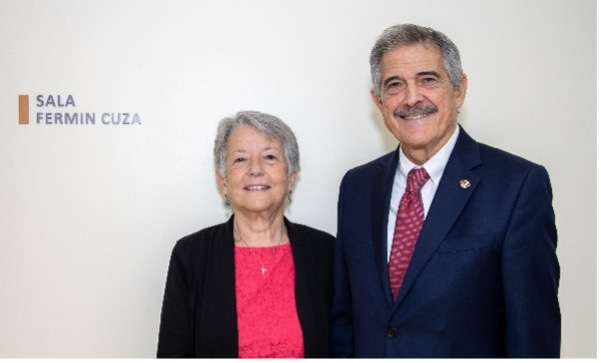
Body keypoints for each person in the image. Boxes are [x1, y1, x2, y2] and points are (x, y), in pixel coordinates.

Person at [330, 24, 560, 358]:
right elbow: (344, 320)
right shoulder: (357, 187)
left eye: (428, 79)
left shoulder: (517, 186)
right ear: (378, 101)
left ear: (459, 89)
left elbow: (532, 335)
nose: (411, 98)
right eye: (395, 85)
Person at [157, 111, 334, 358]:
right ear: (223, 180)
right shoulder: (191, 256)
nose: (255, 170)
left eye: (270, 157)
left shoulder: (326, 252)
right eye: (240, 159)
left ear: (291, 177)